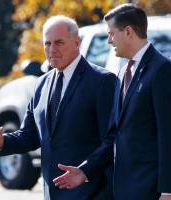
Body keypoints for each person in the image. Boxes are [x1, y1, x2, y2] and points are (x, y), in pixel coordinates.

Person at [0, 16, 116, 200]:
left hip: (92, 193)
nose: (52, 50)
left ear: (76, 42)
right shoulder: (41, 84)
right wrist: (1, 142)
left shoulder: (102, 81)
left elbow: (113, 140)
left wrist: (84, 171)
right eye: (47, 44)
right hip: (52, 194)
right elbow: (30, 136)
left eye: (58, 43)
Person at [53, 4, 171, 200]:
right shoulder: (123, 72)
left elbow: (168, 135)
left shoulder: (162, 70)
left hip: (152, 191)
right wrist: (85, 171)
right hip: (124, 189)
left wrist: (168, 191)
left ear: (128, 32)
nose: (108, 40)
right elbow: (115, 136)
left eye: (111, 34)